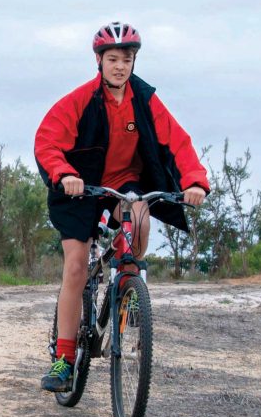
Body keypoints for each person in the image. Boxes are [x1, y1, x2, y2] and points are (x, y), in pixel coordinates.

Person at [34, 21, 209, 392]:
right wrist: (64, 173)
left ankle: (126, 282)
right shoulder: (81, 100)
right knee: (77, 266)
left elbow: (178, 142)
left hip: (124, 185)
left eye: (126, 59)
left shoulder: (144, 100)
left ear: (134, 62)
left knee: (140, 217)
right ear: (99, 60)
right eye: (112, 58)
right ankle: (64, 359)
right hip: (79, 187)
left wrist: (194, 180)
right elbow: (47, 140)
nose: (119, 66)